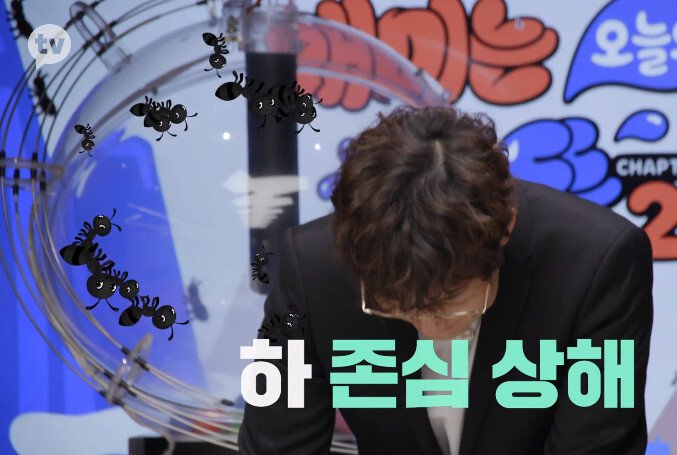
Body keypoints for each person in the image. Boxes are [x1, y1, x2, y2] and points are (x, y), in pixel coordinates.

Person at [238, 106, 654, 455]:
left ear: (504, 231)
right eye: (397, 307)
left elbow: (597, 448)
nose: (429, 332)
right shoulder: (313, 268)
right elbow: (275, 444)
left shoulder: (599, 264)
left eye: (451, 305)